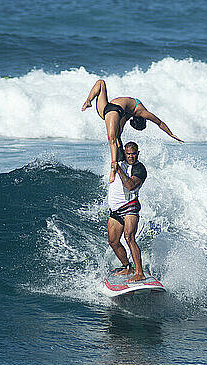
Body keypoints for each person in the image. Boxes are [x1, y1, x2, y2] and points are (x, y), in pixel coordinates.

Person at [81, 79, 183, 183]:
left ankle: (88, 100)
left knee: (101, 83)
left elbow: (120, 130)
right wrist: (171, 134)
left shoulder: (129, 112)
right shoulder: (142, 112)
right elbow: (159, 122)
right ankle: (113, 168)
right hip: (113, 110)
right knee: (112, 139)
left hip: (106, 108)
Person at [107, 141, 148, 282]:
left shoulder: (140, 169)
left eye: (134, 154)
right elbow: (114, 139)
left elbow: (130, 186)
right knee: (113, 241)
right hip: (115, 209)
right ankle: (127, 267)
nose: (131, 157)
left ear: (138, 154)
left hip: (130, 206)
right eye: (128, 154)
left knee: (129, 237)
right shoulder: (121, 160)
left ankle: (140, 272)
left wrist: (118, 170)